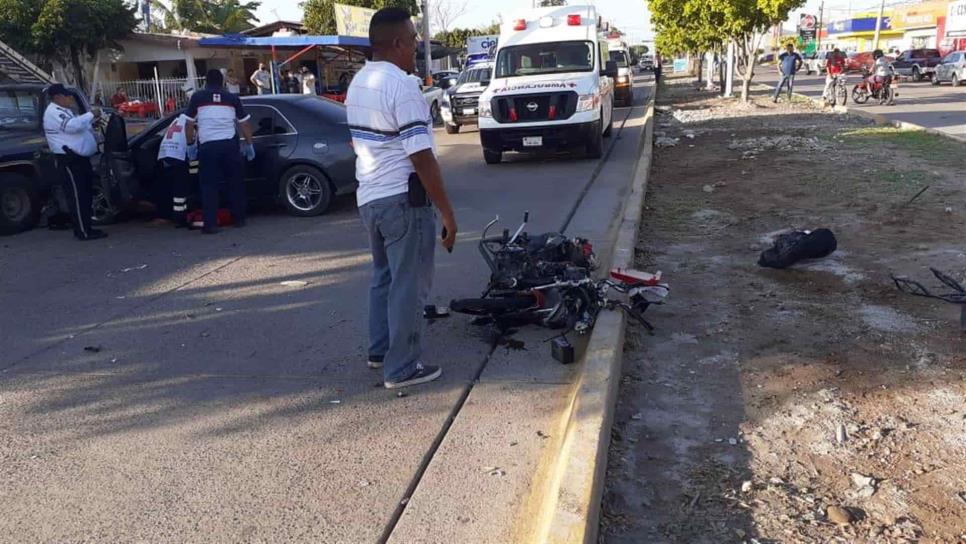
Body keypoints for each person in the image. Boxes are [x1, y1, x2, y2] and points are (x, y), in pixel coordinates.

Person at [346, 7, 458, 389]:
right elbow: (421, 156)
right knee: (409, 286)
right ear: (396, 44)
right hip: (402, 201)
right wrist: (447, 212)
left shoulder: (359, 82)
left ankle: (380, 352)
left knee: (384, 278)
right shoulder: (402, 85)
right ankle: (403, 368)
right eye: (412, 40)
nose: (415, 47)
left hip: (370, 199)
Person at [184, 69, 255, 234]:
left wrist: (190, 145)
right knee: (235, 183)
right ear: (222, 82)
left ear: (205, 82)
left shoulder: (198, 97)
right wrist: (249, 144)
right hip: (230, 146)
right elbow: (244, 123)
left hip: (208, 147)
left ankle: (210, 224)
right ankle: (239, 219)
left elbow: (188, 123)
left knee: (209, 186)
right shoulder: (232, 98)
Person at [43, 84, 107, 241]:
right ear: (57, 97)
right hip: (69, 159)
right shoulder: (53, 112)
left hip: (79, 158)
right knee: (78, 196)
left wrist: (92, 122)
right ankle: (83, 231)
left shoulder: (65, 111)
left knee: (85, 194)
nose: (70, 98)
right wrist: (90, 115)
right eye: (66, 96)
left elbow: (78, 127)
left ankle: (87, 227)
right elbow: (72, 127)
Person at [155, 112, 196, 227]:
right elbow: (192, 141)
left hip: (165, 153)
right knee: (180, 190)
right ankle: (180, 218)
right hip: (178, 155)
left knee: (172, 186)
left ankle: (171, 214)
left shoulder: (177, 119)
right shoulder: (192, 121)